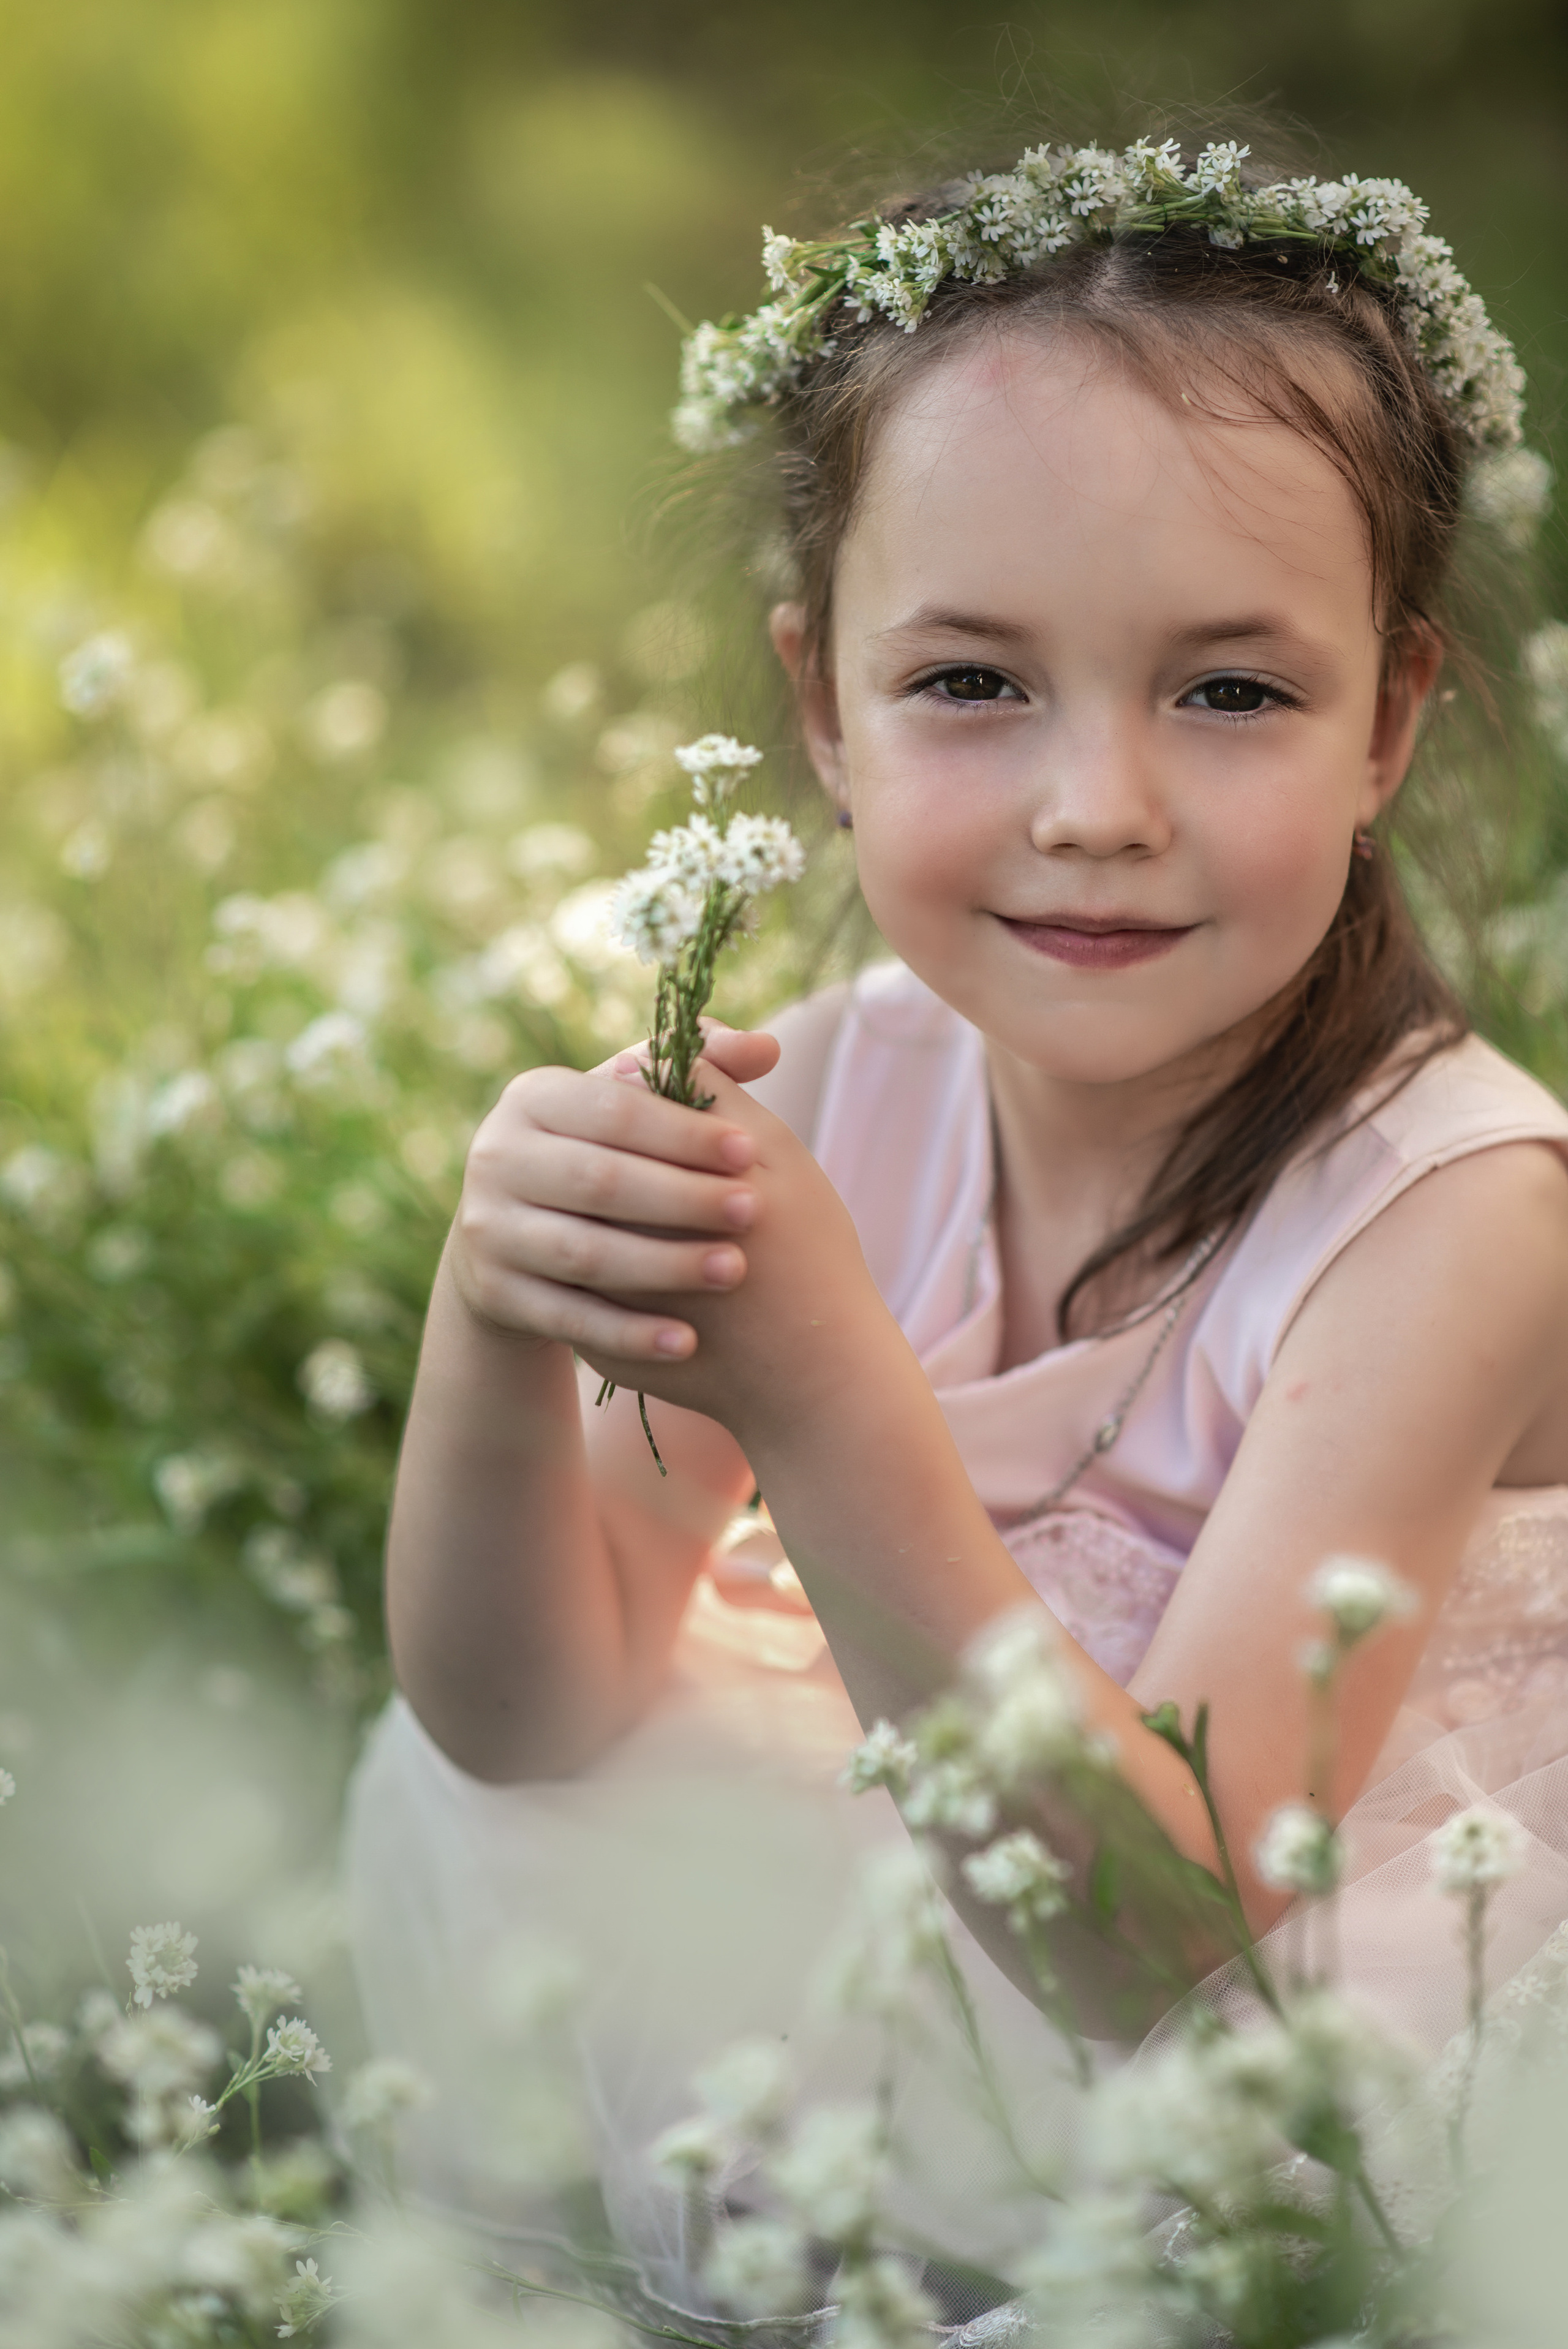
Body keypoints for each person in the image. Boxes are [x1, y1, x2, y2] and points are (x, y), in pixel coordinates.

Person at [345, 133, 1568, 2286]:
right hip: (966, 1884)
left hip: (1282, 1960)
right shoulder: (827, 1091)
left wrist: (819, 1396)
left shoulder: (1457, 1217)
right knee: (609, 1815)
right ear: (823, 704)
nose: (1100, 807)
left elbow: (1160, 1933)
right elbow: (526, 1718)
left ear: (1387, 718)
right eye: (974, 683)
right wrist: (495, 1323)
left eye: (1233, 690)